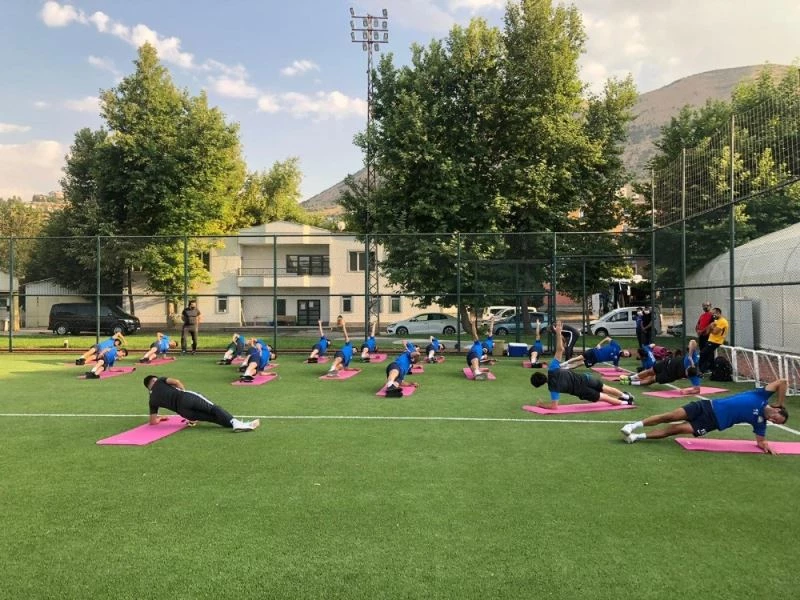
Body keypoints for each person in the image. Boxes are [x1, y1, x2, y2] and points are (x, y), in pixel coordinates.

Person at [620, 378, 789, 453]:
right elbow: (782, 382)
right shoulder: (762, 396)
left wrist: (766, 446)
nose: (773, 420)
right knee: (670, 416)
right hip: (706, 406)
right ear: (776, 409)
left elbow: (760, 441)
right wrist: (781, 402)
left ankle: (636, 437)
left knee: (675, 429)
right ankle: (633, 425)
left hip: (711, 422)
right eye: (777, 418)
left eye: (776, 422)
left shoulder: (760, 422)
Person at [529, 321, 635, 409]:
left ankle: (626, 403)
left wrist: (541, 405)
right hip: (586, 379)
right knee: (606, 388)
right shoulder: (552, 368)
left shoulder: (553, 388)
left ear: (540, 385)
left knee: (605, 397)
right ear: (542, 374)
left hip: (581, 391)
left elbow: (554, 406)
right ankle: (626, 396)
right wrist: (558, 333)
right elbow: (560, 349)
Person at [144, 375, 260, 432]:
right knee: (213, 408)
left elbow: (153, 422)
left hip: (184, 412)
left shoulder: (151, 401)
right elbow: (176, 382)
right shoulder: (159, 381)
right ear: (154, 380)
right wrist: (184, 392)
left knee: (212, 418)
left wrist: (161, 418)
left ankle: (237, 425)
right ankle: (236, 423)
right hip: (186, 398)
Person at [619, 340, 702, 395]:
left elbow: (697, 390)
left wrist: (687, 391)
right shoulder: (693, 359)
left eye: (686, 375)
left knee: (652, 379)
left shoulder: (694, 376)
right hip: (667, 363)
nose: (685, 373)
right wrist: (690, 355)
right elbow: (693, 341)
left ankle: (630, 382)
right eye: (686, 371)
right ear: (689, 366)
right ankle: (630, 378)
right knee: (650, 371)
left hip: (669, 376)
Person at [561, 336, 631, 370]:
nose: (625, 355)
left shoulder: (617, 359)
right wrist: (599, 344)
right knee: (579, 358)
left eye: (626, 356)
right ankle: (563, 364)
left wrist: (619, 370)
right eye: (626, 353)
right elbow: (607, 338)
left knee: (582, 363)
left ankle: (565, 368)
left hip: (595, 359)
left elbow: (616, 367)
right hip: (594, 351)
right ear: (625, 350)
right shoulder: (617, 346)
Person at [698, 307, 729, 374]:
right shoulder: (716, 321)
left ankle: (700, 370)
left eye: (714, 314)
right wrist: (710, 327)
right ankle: (712, 369)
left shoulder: (722, 321)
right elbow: (708, 331)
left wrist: (711, 326)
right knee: (709, 355)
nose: (713, 316)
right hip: (711, 340)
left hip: (716, 341)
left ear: (718, 313)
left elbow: (715, 332)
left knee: (703, 353)